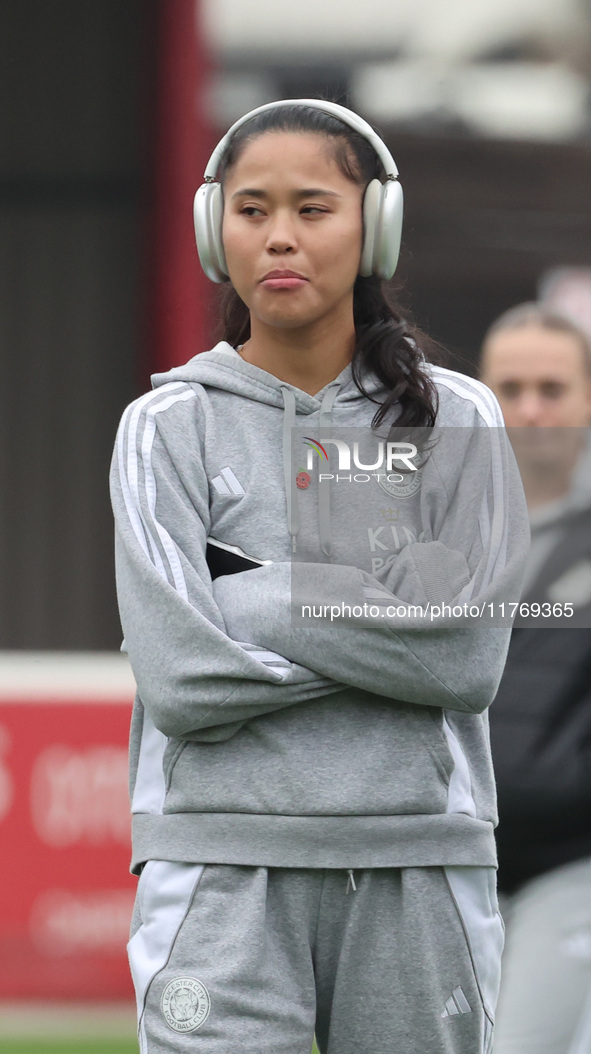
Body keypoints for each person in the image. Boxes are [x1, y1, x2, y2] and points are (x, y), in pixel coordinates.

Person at [110, 99, 529, 1054]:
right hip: (219, 871)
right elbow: (180, 680)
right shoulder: (166, 426)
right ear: (214, 229)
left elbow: (461, 667)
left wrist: (249, 595)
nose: (280, 237)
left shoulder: (458, 420)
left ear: (373, 224)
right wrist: (383, 630)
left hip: (419, 866)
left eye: (313, 207)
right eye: (252, 210)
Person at [479, 302, 591, 1054]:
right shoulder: (422, 529)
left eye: (550, 389)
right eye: (509, 388)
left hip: (570, 865)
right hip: (446, 863)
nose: (529, 409)